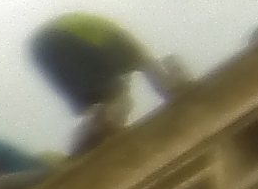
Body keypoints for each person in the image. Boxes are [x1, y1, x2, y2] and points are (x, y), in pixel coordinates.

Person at [27, 12, 186, 149]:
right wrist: (181, 96)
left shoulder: (116, 55)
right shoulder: (133, 51)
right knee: (117, 101)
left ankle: (85, 144)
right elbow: (158, 77)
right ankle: (96, 137)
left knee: (101, 105)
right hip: (63, 36)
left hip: (43, 46)